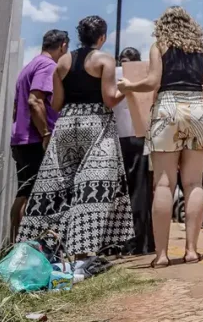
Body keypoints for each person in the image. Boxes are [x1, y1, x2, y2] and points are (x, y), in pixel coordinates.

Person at [18, 17, 133, 260]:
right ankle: (82, 253)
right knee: (92, 187)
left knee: (61, 186)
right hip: (97, 124)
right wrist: (127, 88)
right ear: (101, 38)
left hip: (67, 124)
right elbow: (110, 99)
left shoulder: (63, 61)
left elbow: (57, 104)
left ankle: (46, 247)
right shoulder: (104, 60)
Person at [118, 6, 203, 268]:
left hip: (168, 107)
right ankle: (191, 251)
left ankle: (162, 255)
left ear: (163, 24)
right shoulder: (201, 51)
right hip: (197, 109)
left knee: (164, 184)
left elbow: (152, 82)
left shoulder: (159, 46)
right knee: (194, 183)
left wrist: (130, 86)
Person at [9, 29, 69, 241]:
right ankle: (27, 247)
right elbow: (35, 100)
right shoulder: (48, 66)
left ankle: (16, 245)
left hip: (21, 138)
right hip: (35, 140)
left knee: (24, 192)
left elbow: (17, 108)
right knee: (33, 195)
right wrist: (45, 133)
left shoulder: (29, 66)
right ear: (63, 46)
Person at [115, 47, 155, 255]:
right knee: (140, 191)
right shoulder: (145, 76)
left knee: (120, 193)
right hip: (139, 137)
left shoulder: (113, 75)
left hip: (117, 138)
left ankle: (122, 244)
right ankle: (142, 242)